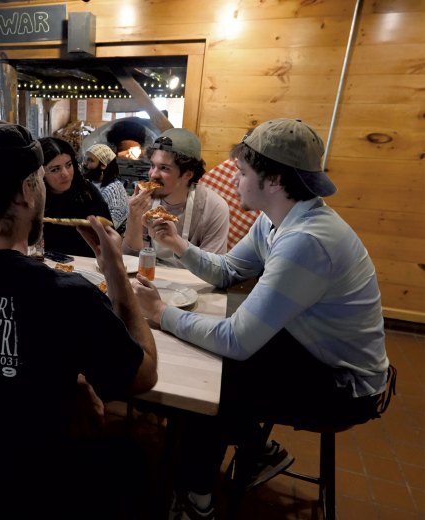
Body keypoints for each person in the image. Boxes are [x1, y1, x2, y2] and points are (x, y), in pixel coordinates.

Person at [131, 118, 392, 519]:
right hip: (311, 352)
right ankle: (258, 451)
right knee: (218, 365)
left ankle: (196, 499)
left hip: (345, 386)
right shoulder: (277, 219)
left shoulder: (306, 240)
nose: (234, 181)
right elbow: (227, 271)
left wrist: (161, 313)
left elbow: (236, 341)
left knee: (214, 384)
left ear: (273, 180)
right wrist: (178, 244)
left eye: (241, 172)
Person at [0, 119, 158, 518]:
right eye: (40, 179)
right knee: (135, 464)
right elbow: (143, 376)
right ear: (27, 189)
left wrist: (65, 377)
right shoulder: (66, 295)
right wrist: (117, 275)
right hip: (33, 487)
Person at [123, 127, 229, 266]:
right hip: (148, 274)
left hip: (190, 278)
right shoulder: (144, 201)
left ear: (188, 174)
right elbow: (130, 260)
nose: (153, 174)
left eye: (164, 168)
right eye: (152, 165)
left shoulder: (214, 208)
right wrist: (134, 218)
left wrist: (175, 242)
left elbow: (214, 269)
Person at [40, 136, 112, 257]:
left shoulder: (87, 192)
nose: (65, 173)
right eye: (56, 169)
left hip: (90, 262)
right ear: (40, 173)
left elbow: (109, 234)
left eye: (68, 165)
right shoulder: (33, 199)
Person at [83, 143, 130, 232]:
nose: (84, 163)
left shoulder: (113, 190)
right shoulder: (92, 182)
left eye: (90, 160)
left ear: (103, 165)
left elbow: (111, 227)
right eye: (85, 159)